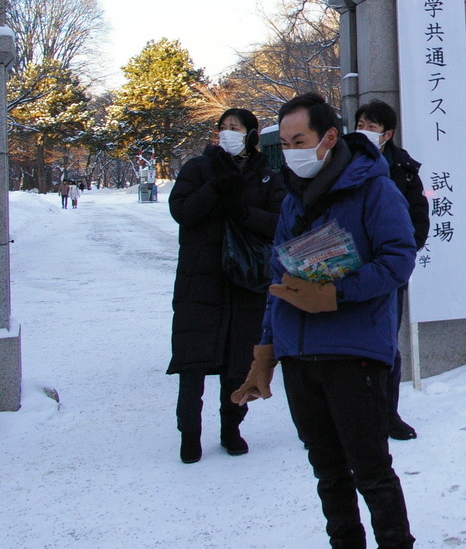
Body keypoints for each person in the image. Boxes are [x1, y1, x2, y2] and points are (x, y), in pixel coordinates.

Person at [233, 92, 416, 549]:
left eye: (300, 140)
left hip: (354, 355)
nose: (292, 151)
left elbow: (399, 259)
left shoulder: (375, 187)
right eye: (287, 141)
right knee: (328, 472)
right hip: (300, 357)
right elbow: (280, 278)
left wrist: (335, 292)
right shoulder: (293, 199)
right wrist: (265, 351)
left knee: (370, 469)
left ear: (329, 137)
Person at [167, 108, 284, 464]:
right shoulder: (197, 168)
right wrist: (214, 189)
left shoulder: (267, 176)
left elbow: (279, 223)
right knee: (192, 362)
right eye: (223, 128)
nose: (228, 133)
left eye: (236, 128)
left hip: (247, 282)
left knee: (239, 363)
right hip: (200, 280)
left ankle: (231, 428)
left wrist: (242, 212)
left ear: (251, 133)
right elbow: (182, 211)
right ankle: (190, 435)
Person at [355, 98, 430, 442]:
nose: (364, 132)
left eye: (371, 127)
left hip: (387, 275)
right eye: (360, 125)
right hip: (348, 271)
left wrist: (396, 259)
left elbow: (418, 221)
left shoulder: (404, 170)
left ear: (388, 133)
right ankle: (347, 415)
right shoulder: (339, 163)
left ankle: (388, 414)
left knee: (387, 344)